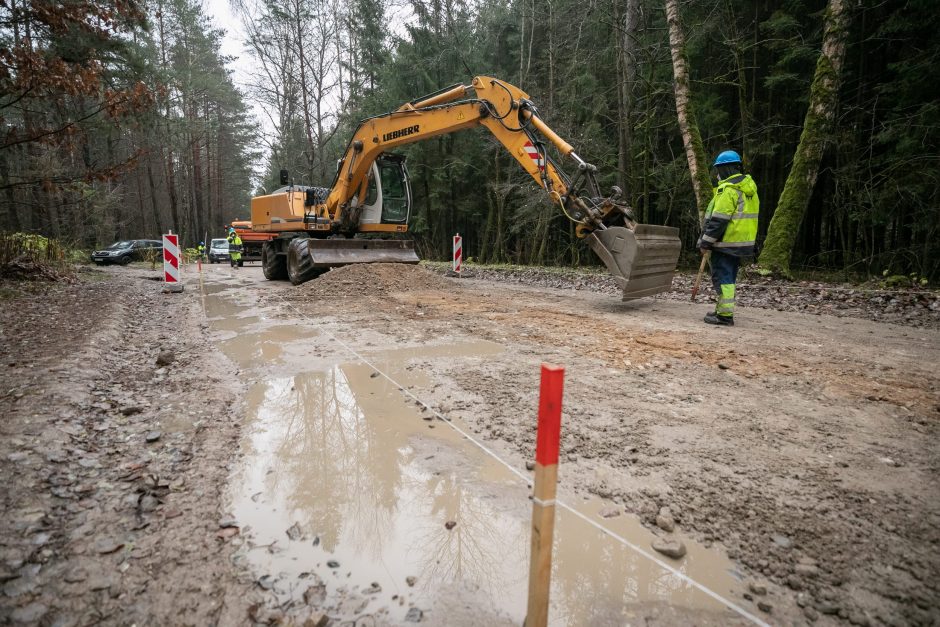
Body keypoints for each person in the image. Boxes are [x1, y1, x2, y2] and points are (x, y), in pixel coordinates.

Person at [696, 150, 759, 326]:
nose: (717, 174)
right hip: (740, 244)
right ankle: (722, 309)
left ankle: (724, 315)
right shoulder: (749, 190)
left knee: (722, 277)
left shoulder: (728, 190)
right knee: (729, 277)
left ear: (725, 169)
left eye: (718, 170)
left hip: (724, 243)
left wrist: (705, 243)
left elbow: (718, 221)